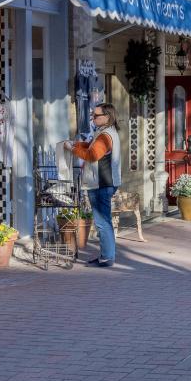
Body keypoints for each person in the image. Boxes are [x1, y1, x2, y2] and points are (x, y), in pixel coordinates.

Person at [66, 102, 121, 267]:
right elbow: (91, 147)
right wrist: (76, 144)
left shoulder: (105, 135)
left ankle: (107, 257)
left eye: (96, 116)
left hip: (101, 183)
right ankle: (107, 255)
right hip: (105, 182)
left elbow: (92, 155)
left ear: (107, 117)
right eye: (92, 115)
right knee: (105, 221)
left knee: (102, 222)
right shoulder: (106, 132)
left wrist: (72, 149)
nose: (93, 118)